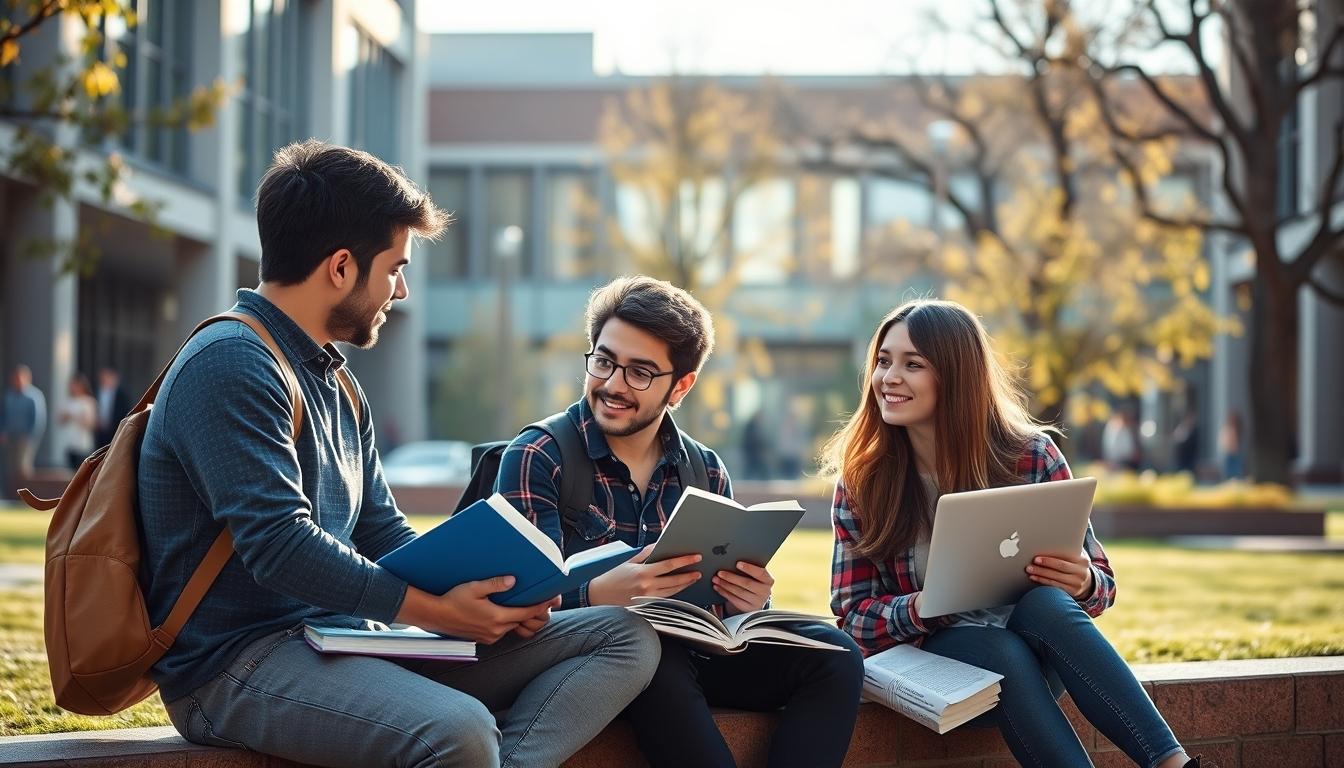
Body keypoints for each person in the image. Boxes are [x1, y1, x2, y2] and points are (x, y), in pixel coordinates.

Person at [137, 141, 661, 768]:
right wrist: (434, 610)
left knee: (623, 636)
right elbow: (280, 545)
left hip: (347, 639)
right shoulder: (230, 364)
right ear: (339, 267)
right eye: (393, 268)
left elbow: (381, 529)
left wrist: (484, 599)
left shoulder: (335, 378)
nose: (402, 290)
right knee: (460, 731)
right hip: (235, 664)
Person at [494, 275, 865, 768]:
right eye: (604, 361)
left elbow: (724, 610)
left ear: (681, 386)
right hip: (597, 661)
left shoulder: (705, 468)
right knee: (651, 652)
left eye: (640, 373)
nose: (612, 384)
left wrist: (749, 601)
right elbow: (512, 604)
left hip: (696, 652)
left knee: (835, 654)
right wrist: (598, 596)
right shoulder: (540, 455)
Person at [822, 299, 1210, 768]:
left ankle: (1173, 764)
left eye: (912, 364)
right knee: (1000, 648)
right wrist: (923, 607)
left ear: (956, 375)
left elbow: (1101, 587)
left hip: (1042, 655)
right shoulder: (864, 481)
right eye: (883, 361)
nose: (890, 377)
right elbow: (852, 619)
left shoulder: (1032, 457)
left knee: (1045, 603)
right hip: (939, 665)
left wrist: (1082, 581)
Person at [1, 365, 47, 499]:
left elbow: (37, 419)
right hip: (10, 437)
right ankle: (11, 495)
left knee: (23, 468)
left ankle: (25, 497)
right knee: (10, 466)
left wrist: (31, 437)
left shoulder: (34, 396)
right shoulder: (9, 395)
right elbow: (3, 415)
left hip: (26, 438)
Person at [56, 372, 98, 469]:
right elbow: (59, 419)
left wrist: (77, 417)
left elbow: (91, 423)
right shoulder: (67, 401)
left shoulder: (88, 402)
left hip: (83, 444)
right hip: (69, 443)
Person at [94, 366, 131, 449]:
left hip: (115, 430)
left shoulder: (122, 394)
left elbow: (125, 411)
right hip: (100, 432)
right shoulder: (96, 392)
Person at [1101, 406, 1141, 472]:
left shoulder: (1125, 428)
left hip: (1126, 461)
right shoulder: (1113, 427)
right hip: (1117, 461)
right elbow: (1111, 448)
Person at [1218, 408, 1244, 481]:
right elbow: (1224, 442)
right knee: (1230, 472)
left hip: (1234, 453)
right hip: (1230, 453)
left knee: (1235, 472)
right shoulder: (1228, 429)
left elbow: (1235, 443)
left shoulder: (1234, 429)